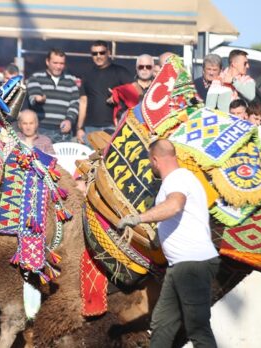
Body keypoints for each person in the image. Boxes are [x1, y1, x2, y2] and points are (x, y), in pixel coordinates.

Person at [117, 139, 219, 347]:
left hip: (191, 264)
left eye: (149, 161)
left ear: (155, 160)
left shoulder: (177, 178)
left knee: (198, 328)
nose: (150, 165)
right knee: (162, 324)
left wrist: (138, 218)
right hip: (182, 265)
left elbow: (174, 205)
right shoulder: (182, 178)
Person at [76, 40, 131, 143]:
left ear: (108, 53)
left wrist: (117, 95)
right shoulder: (87, 74)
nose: (98, 56)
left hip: (113, 127)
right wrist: (79, 128)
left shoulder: (120, 72)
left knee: (111, 158)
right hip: (89, 127)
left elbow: (136, 92)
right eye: (94, 53)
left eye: (102, 52)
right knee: (91, 158)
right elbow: (83, 101)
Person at [26, 48, 80, 142]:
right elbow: (32, 98)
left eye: (61, 63)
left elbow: (75, 104)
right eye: (55, 63)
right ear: (47, 62)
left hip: (62, 131)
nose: (58, 66)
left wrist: (69, 120)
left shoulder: (71, 81)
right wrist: (38, 100)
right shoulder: (36, 77)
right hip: (41, 129)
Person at [111, 54, 154, 122]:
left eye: (148, 67)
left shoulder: (158, 87)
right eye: (141, 67)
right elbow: (120, 113)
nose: (144, 69)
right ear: (136, 68)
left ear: (153, 68)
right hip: (130, 129)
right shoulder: (126, 88)